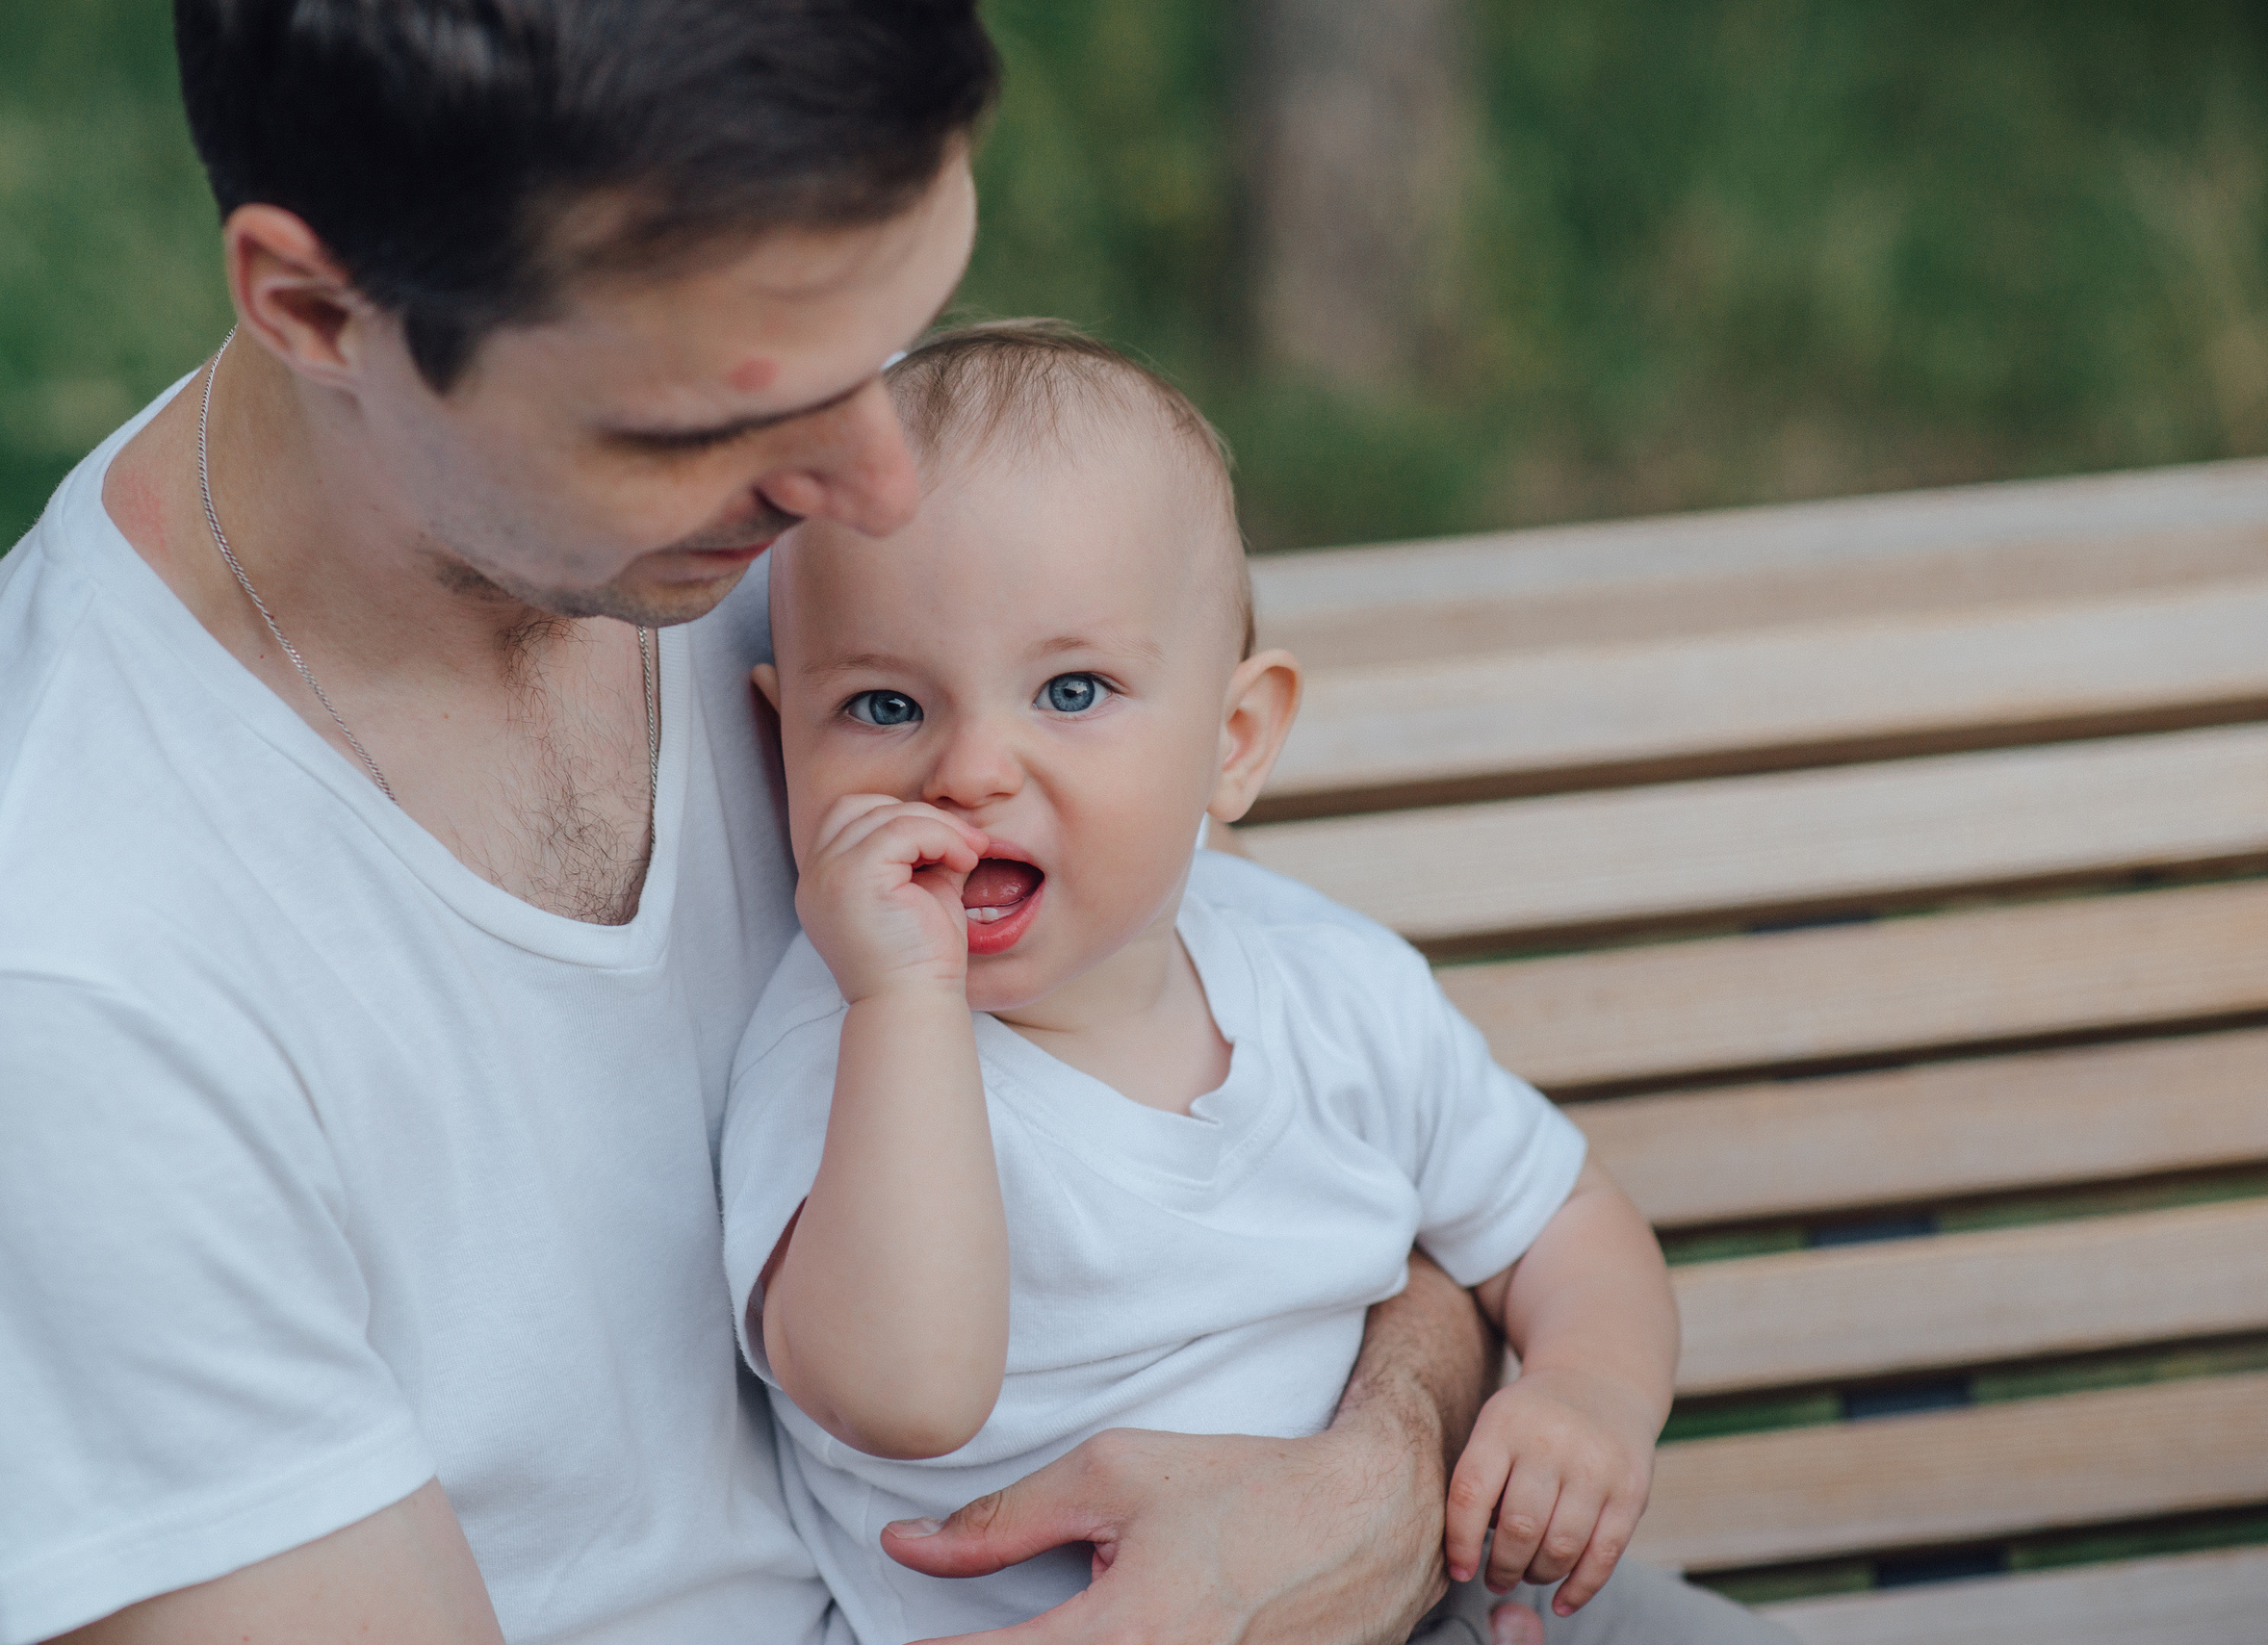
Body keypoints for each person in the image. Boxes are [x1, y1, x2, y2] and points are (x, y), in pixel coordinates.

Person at [0, 5, 1788, 1643]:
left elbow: (1306, 1141)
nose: (871, 482)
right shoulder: (33, 984)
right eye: (716, 419)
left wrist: (1356, 1486)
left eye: (893, 341)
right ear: (318, 310)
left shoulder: (847, 564)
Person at [723, 321, 1791, 1645]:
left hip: (1455, 1588)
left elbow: (1562, 1215)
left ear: (1233, 743)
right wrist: (904, 1007)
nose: (971, 770)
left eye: (1071, 689)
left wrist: (1585, 1391)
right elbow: (904, 1392)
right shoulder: (841, 1049)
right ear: (785, 748)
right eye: (885, 707)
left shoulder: (1327, 983)